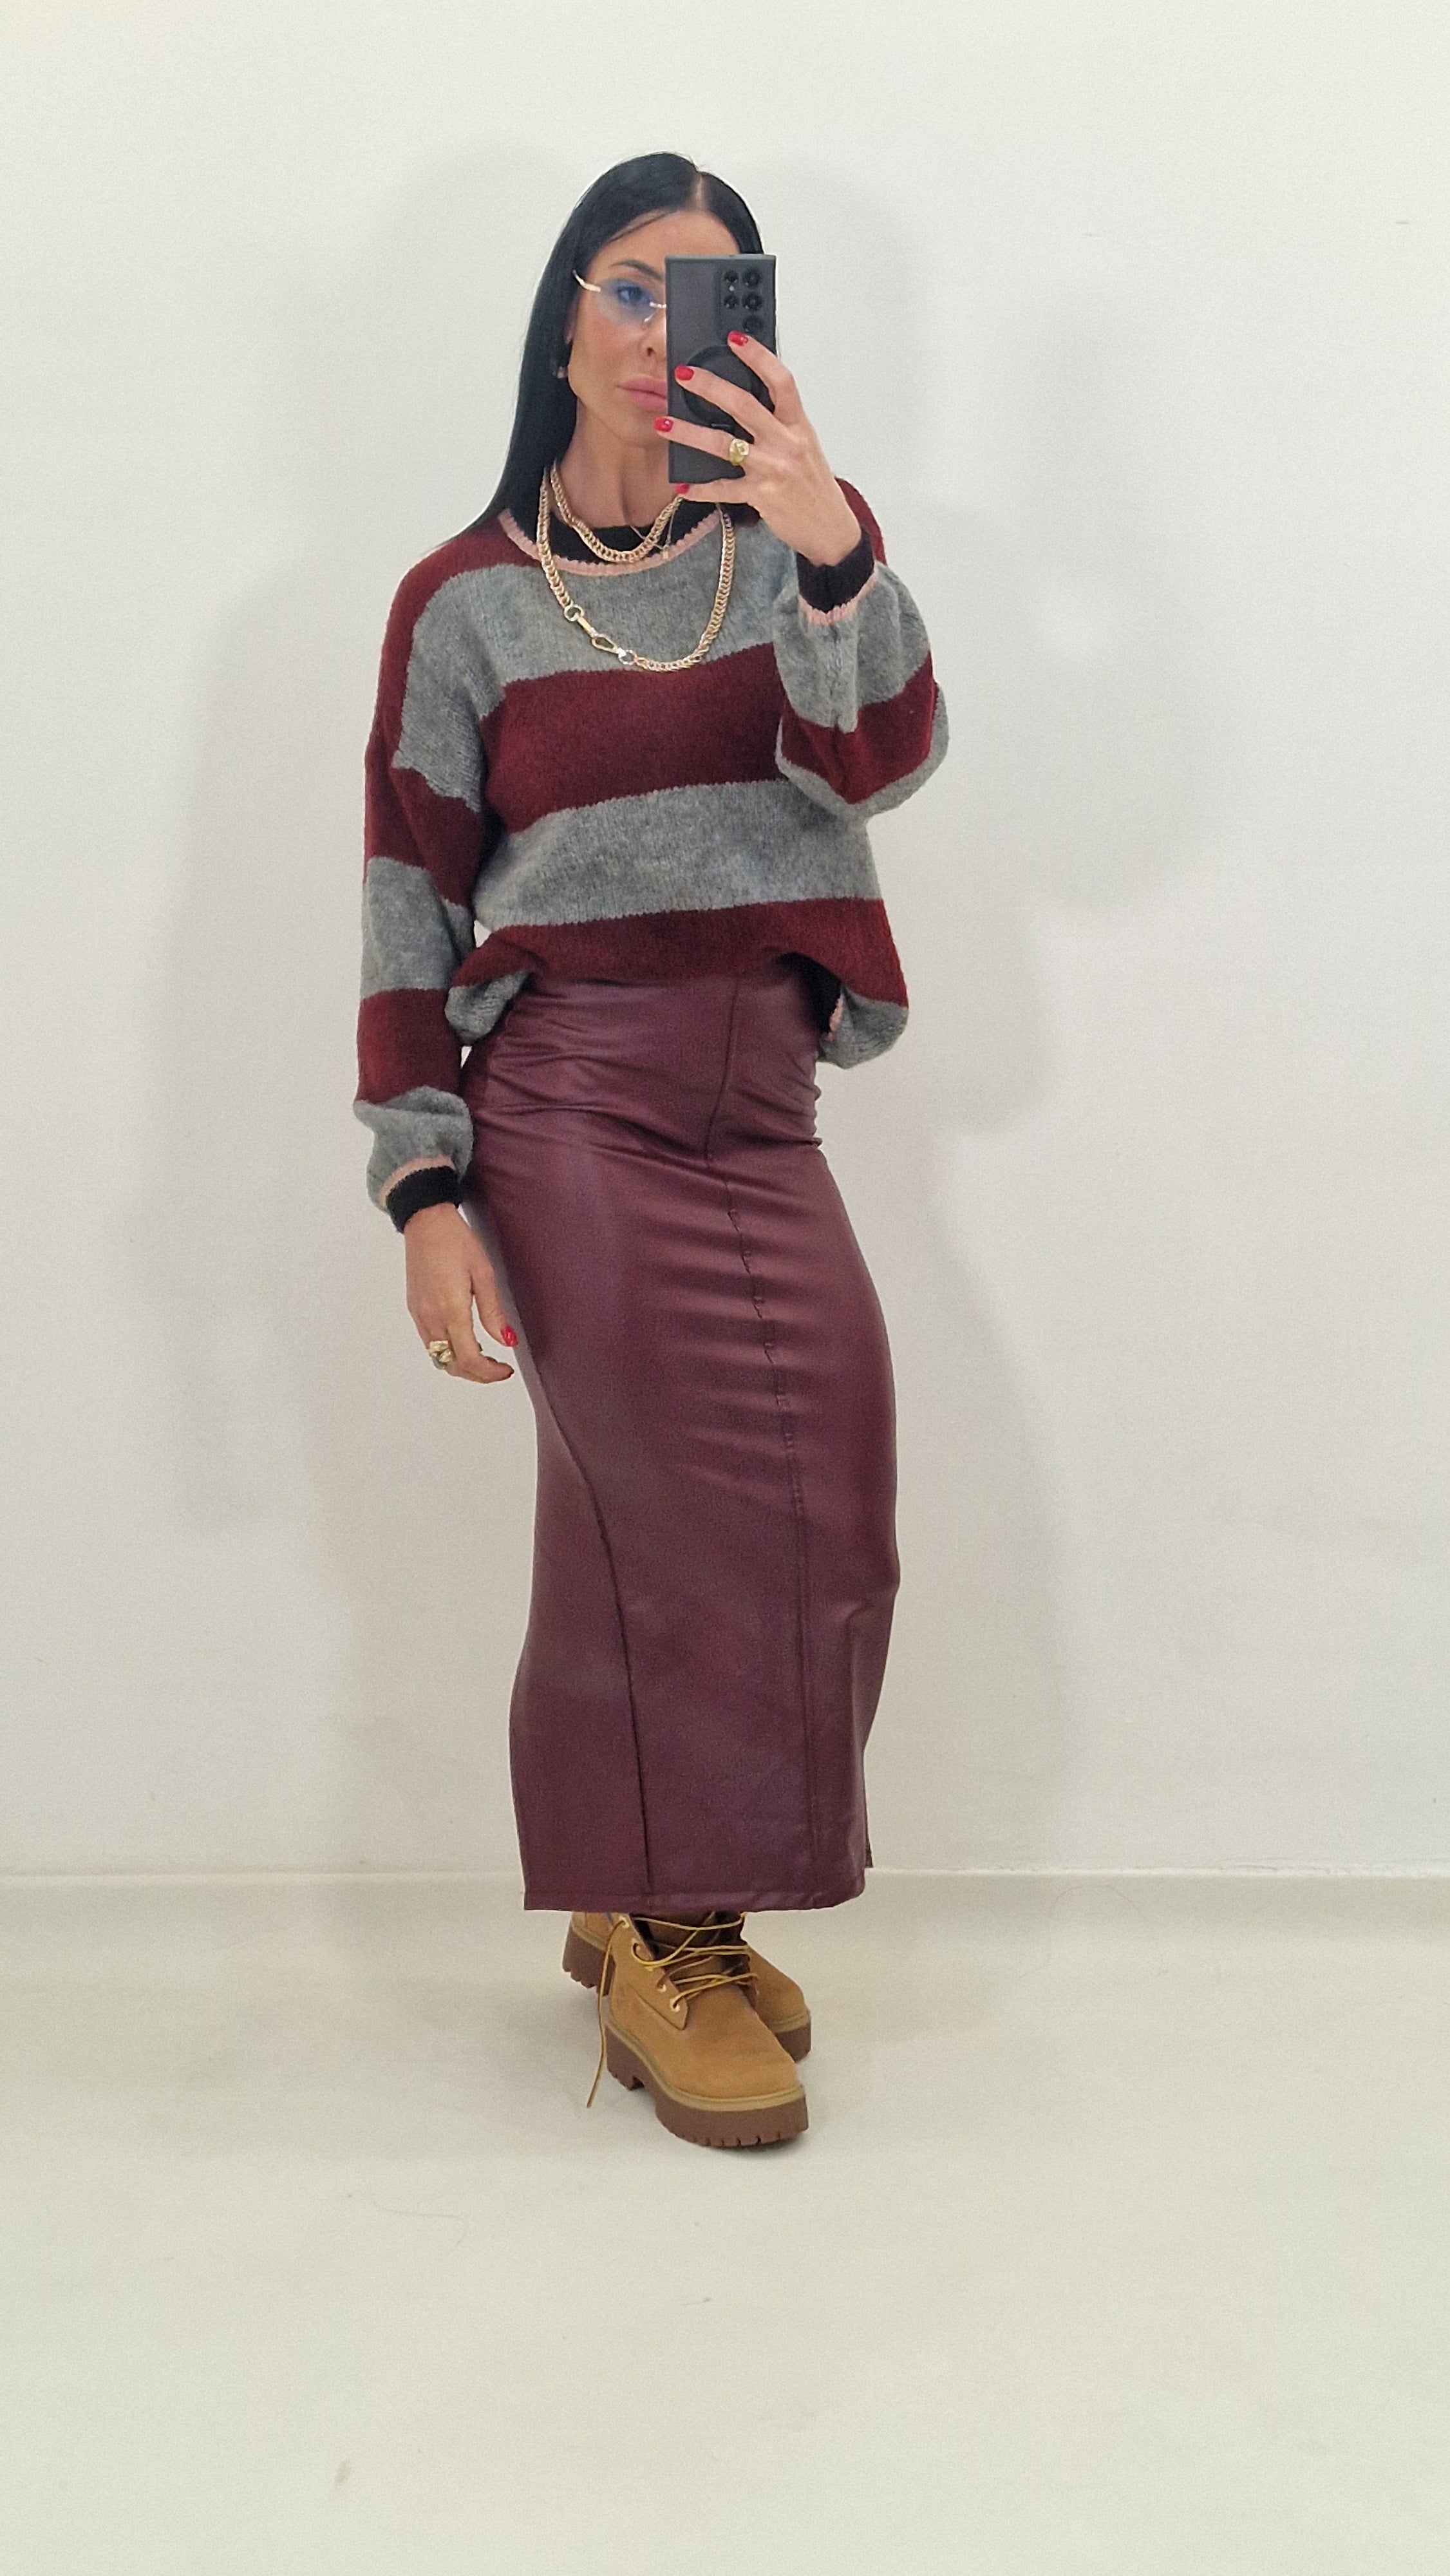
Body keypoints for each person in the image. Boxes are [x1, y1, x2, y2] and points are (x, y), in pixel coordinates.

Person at [354, 152, 948, 2150]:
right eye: (627, 286)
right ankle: (668, 1934)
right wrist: (423, 1187)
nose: (656, 331)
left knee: (830, 1517)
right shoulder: (460, 601)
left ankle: (649, 1902)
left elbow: (884, 759)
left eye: (705, 297)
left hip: (761, 1104)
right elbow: (407, 898)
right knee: (670, 1533)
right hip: (573, 1103)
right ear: (561, 320)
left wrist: (832, 541)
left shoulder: (788, 553)